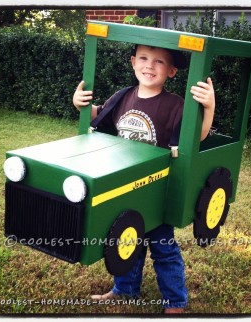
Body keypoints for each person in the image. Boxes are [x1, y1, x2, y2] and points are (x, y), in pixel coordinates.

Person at [73, 44, 215, 314]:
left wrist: (208, 108)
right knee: (127, 240)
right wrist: (81, 104)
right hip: (125, 184)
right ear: (132, 62)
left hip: (156, 190)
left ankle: (175, 302)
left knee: (164, 248)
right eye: (144, 58)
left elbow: (196, 136)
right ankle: (125, 288)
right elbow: (98, 116)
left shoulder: (175, 105)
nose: (150, 65)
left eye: (159, 62)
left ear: (172, 71)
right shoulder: (122, 96)